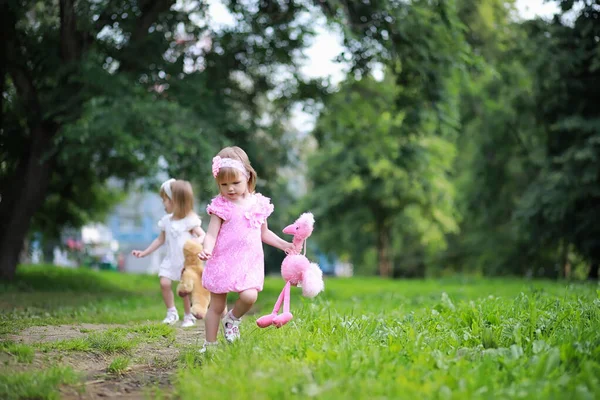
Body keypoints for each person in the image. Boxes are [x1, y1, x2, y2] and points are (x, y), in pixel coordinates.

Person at [198, 146, 294, 352]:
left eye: (235, 183)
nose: (230, 189)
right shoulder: (221, 206)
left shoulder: (258, 204)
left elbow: (264, 233)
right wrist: (206, 249)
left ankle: (232, 320)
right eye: (224, 184)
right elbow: (212, 233)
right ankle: (210, 345)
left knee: (250, 296)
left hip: (248, 262)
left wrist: (284, 245)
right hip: (223, 260)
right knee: (216, 307)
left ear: (248, 177)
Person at [132, 179, 206, 328]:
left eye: (165, 200)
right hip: (170, 260)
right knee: (164, 283)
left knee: (184, 291)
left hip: (185, 263)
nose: (163, 203)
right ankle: (171, 312)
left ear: (176, 201)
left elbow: (203, 235)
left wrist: (196, 243)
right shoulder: (166, 221)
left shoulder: (189, 221)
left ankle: (188, 315)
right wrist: (144, 252)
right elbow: (160, 240)